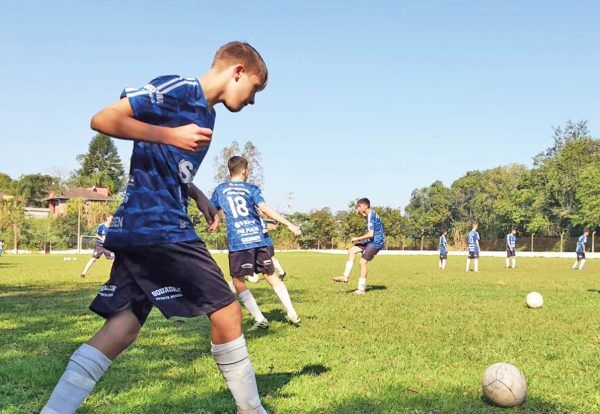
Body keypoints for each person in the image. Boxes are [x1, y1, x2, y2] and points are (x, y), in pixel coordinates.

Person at [41, 41, 269, 414]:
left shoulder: (208, 115)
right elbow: (102, 118)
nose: (252, 100)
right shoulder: (178, 88)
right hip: (158, 224)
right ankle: (252, 410)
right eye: (254, 89)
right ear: (237, 71)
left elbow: (168, 165)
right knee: (227, 312)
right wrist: (169, 134)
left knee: (124, 326)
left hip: (143, 226)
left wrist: (196, 193)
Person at [210, 156, 302, 330]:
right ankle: (292, 313)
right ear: (245, 171)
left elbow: (211, 209)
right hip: (258, 239)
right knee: (272, 277)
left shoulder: (220, 189)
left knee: (238, 282)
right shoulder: (251, 188)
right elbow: (265, 209)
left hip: (238, 242)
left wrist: (214, 221)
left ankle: (260, 319)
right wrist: (289, 224)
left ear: (230, 171)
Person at [332, 198, 385, 295]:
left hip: (376, 242)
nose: (358, 208)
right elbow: (364, 216)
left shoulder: (370, 216)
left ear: (365, 206)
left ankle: (361, 289)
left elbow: (371, 234)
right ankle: (345, 276)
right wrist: (360, 213)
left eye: (359, 206)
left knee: (362, 263)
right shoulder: (370, 214)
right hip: (370, 241)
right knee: (352, 250)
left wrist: (357, 238)